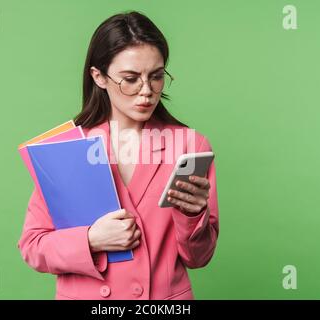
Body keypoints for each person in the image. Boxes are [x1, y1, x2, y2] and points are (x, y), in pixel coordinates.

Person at [18, 11, 219, 300]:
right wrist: (90, 240)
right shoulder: (67, 148)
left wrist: (193, 214)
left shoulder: (188, 145)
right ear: (98, 76)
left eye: (157, 77)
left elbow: (199, 258)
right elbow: (33, 246)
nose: (146, 91)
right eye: (130, 79)